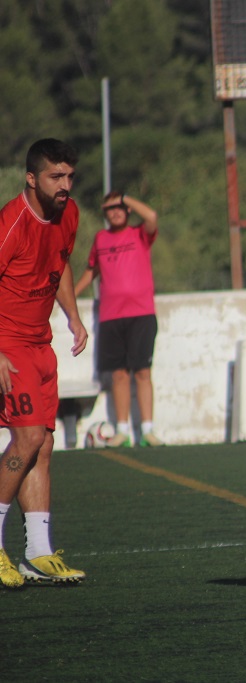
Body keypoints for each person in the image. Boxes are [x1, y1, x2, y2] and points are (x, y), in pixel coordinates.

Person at [0, 138, 89, 587]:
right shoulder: (10, 224)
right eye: (56, 176)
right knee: (28, 438)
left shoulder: (67, 214)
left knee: (44, 445)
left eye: (70, 176)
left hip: (40, 344)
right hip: (8, 345)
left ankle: (38, 552)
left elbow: (61, 263)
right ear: (32, 178)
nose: (65, 185)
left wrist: (73, 315)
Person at [74, 191, 163, 447]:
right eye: (109, 209)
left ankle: (148, 431)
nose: (115, 212)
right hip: (111, 316)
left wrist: (125, 198)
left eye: (119, 207)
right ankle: (122, 431)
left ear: (127, 210)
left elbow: (152, 216)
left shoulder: (139, 234)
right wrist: (70, 296)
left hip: (141, 313)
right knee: (119, 375)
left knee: (142, 372)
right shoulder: (101, 239)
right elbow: (91, 270)